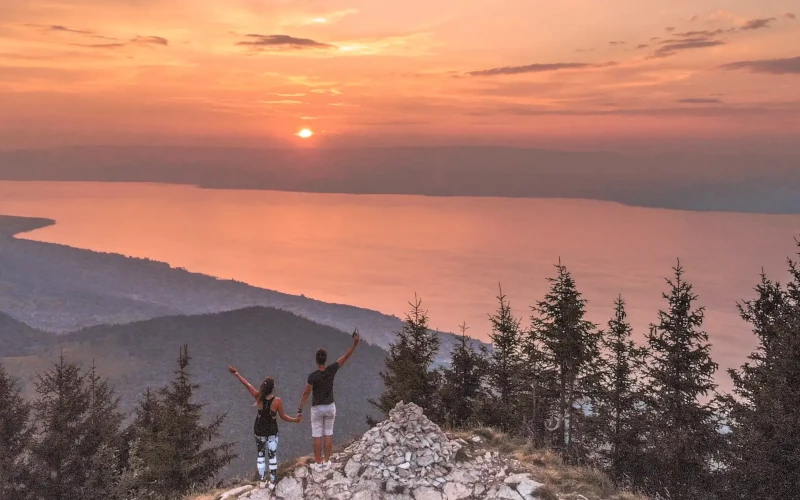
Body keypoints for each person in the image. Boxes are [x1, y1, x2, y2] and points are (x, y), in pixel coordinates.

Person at [297, 329, 361, 470]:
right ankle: (327, 462)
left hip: (317, 408)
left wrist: (300, 409)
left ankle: (318, 463)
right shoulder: (331, 369)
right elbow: (345, 356)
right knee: (328, 433)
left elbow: (306, 393)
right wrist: (355, 344)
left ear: (316, 360)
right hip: (330, 406)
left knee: (317, 436)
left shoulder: (312, 376)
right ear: (325, 359)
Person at [229, 366, 301, 489]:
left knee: (261, 455)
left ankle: (262, 481)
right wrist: (295, 420)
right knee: (272, 456)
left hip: (259, 430)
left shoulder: (258, 396)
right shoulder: (277, 401)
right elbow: (283, 417)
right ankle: (272, 481)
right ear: (273, 388)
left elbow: (246, 384)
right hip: (272, 432)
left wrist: (236, 373)